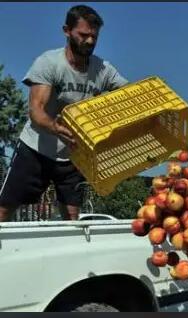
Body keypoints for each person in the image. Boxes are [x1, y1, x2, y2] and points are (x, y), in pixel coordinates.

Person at [0, 5, 128, 221]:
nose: (89, 41)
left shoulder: (103, 69)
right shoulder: (49, 63)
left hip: (72, 155)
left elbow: (128, 92)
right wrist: (56, 128)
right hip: (36, 150)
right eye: (83, 35)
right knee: (5, 208)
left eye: (94, 37)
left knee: (72, 218)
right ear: (67, 30)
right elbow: (36, 112)